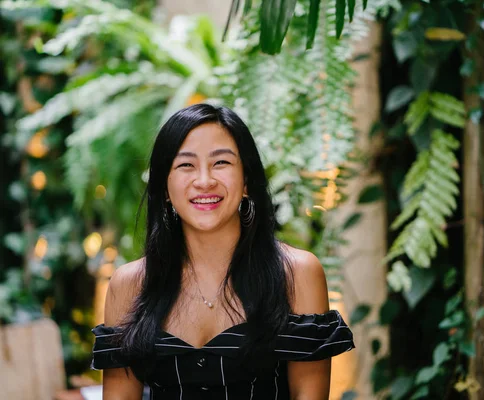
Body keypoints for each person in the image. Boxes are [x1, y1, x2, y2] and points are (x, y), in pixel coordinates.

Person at [91, 103, 355, 400]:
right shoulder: (129, 284)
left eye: (221, 163)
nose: (204, 181)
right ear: (165, 188)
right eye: (185, 165)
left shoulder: (297, 274)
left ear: (246, 181)